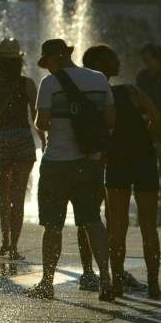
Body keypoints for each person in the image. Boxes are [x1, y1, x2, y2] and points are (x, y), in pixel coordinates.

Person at [27, 39, 116, 301]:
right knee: (92, 220)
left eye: (48, 62)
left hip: (57, 163)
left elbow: (42, 123)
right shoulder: (99, 79)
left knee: (52, 225)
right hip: (89, 162)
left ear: (58, 57)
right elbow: (111, 120)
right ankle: (106, 280)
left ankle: (47, 283)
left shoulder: (50, 83)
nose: (47, 68)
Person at [83, 45, 161, 299]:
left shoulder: (90, 97)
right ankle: (153, 286)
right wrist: (143, 140)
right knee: (149, 226)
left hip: (116, 162)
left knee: (117, 226)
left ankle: (116, 284)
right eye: (113, 57)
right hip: (145, 161)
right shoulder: (130, 92)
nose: (118, 59)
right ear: (99, 64)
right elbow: (157, 121)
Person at [0, 38, 45, 260]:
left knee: (3, 195)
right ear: (19, 60)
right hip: (23, 142)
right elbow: (37, 116)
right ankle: (14, 246)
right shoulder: (27, 84)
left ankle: (4, 241)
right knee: (18, 196)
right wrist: (43, 139)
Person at [136, 43, 161, 203]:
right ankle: (149, 186)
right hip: (145, 119)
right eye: (144, 60)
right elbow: (138, 98)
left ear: (158, 58)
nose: (146, 62)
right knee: (146, 155)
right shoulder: (142, 75)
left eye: (149, 59)